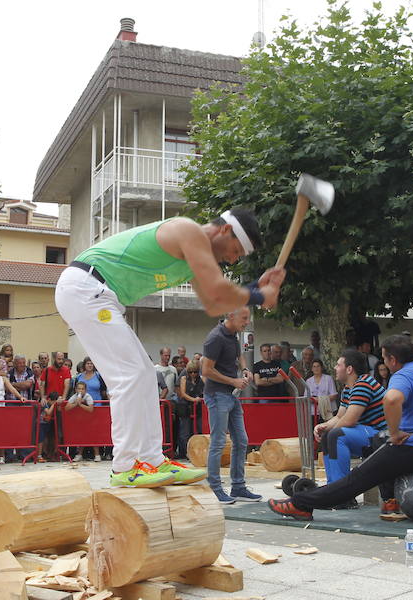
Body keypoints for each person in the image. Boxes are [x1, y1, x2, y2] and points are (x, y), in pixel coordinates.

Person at [55, 206, 286, 487]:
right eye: (236, 250)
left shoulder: (194, 257)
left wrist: (256, 287)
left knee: (144, 375)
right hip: (85, 288)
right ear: (225, 230)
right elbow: (218, 292)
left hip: (96, 294)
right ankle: (124, 467)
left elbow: (215, 303)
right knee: (129, 376)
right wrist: (261, 295)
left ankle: (152, 460)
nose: (233, 259)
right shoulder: (189, 230)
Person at [269, 335, 413, 521]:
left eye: (384, 358)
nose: (384, 363)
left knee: (357, 477)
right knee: (382, 447)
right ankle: (391, 502)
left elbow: (391, 399)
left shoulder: (403, 374)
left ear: (393, 359)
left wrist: (394, 433)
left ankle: (301, 504)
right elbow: (342, 416)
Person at [200, 307, 261, 504]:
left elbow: (239, 355)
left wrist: (245, 368)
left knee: (241, 441)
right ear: (231, 316)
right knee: (218, 442)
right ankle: (215, 488)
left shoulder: (233, 335)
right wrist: (233, 381)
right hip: (217, 395)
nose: (247, 322)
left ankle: (238, 487)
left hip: (230, 395)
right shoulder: (215, 338)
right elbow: (206, 370)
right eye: (244, 318)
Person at [314, 350, 387, 506]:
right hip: (368, 432)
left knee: (336, 435)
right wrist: (323, 426)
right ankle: (333, 490)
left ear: (349, 369)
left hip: (382, 436)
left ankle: (342, 496)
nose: (335, 368)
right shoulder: (349, 388)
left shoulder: (363, 384)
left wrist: (330, 430)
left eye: (338, 365)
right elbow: (340, 417)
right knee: (328, 435)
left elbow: (349, 420)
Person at [178, 360, 205, 453]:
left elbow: (207, 391)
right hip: (186, 408)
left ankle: (199, 452)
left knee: (200, 430)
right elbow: (183, 393)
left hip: (199, 409)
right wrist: (194, 399)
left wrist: (199, 399)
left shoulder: (202, 379)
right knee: (185, 432)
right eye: (190, 372)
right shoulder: (184, 379)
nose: (193, 374)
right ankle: (186, 452)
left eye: (195, 372)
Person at [36, 391, 58, 462]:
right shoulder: (44, 403)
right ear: (49, 399)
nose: (54, 403)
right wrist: (54, 404)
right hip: (41, 423)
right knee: (41, 439)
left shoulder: (51, 403)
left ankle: (47, 454)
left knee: (47, 439)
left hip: (47, 423)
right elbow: (48, 412)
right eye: (53, 402)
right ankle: (39, 455)